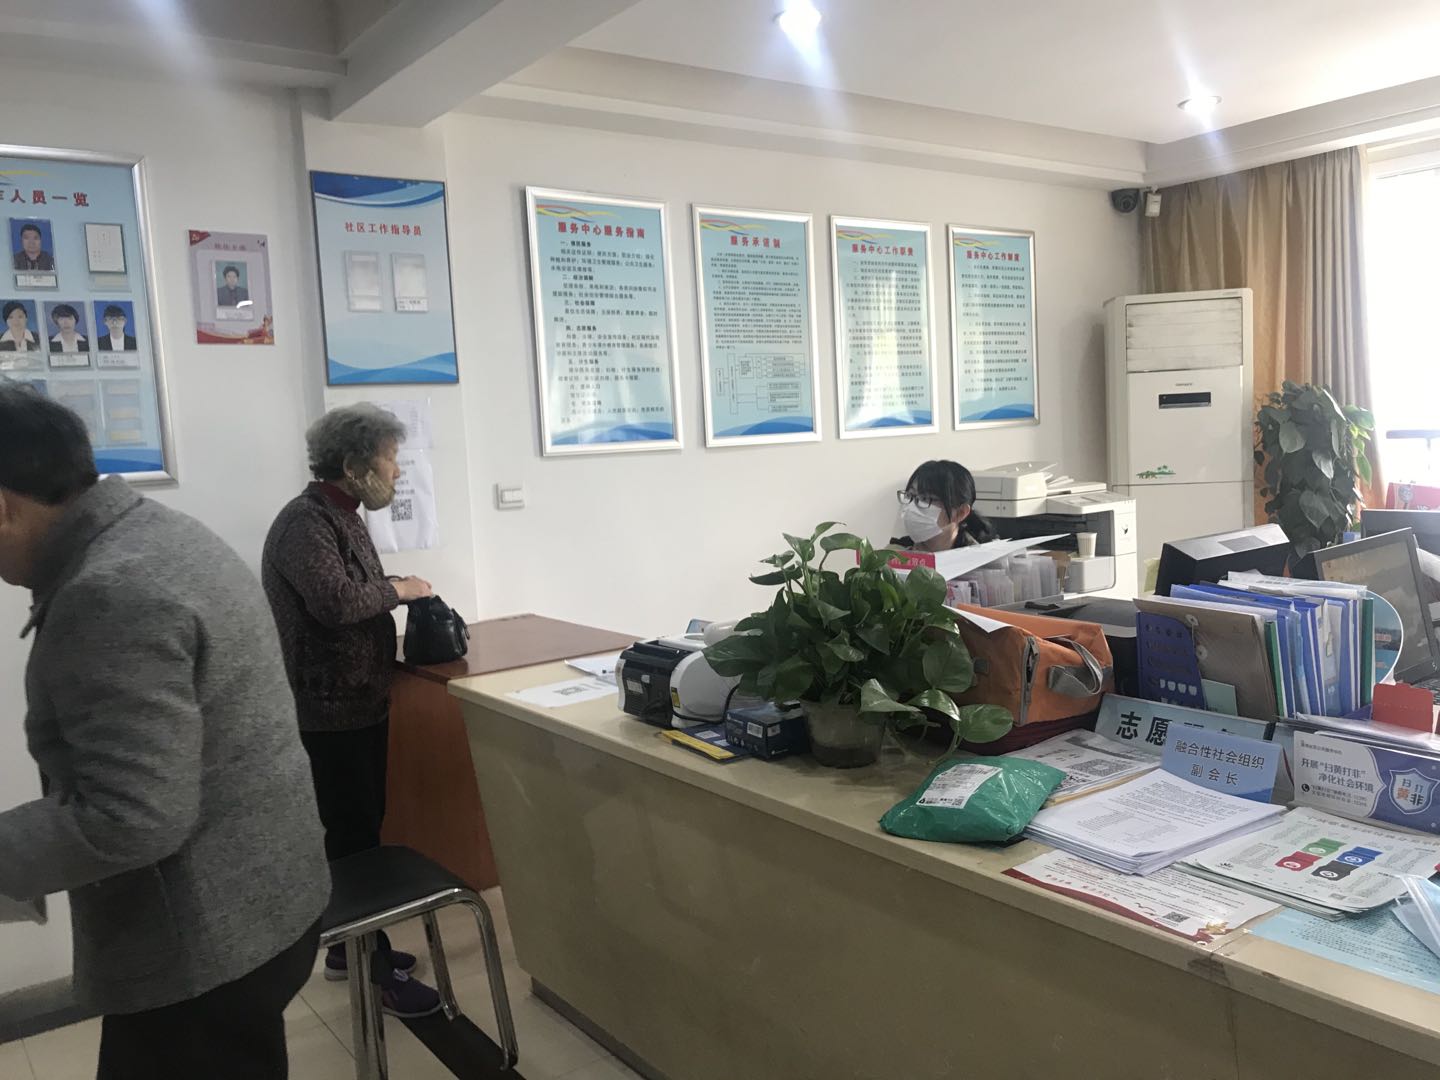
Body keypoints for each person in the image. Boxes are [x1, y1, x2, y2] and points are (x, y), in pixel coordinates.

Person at [0, 384, 331, 1079]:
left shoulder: (110, 590)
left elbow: (132, 817)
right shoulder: (158, 532)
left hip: (203, 946)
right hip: (264, 901)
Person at [262, 403, 442, 1018]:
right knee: (354, 839)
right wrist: (401, 589)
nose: (398, 471)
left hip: (359, 701)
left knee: (360, 829)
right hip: (329, 709)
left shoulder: (342, 515)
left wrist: (393, 587)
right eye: (390, 458)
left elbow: (353, 591)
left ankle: (348, 950)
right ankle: (374, 971)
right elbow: (336, 603)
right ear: (353, 463)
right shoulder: (305, 522)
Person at [892, 459, 997, 552]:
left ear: (960, 513)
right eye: (910, 495)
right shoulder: (894, 554)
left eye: (926, 498)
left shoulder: (979, 560)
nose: (912, 507)